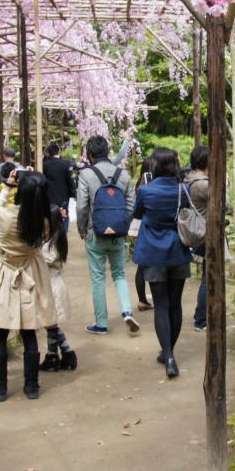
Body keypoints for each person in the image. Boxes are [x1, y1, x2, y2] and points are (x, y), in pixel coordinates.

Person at [0, 170, 58, 402]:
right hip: (30, 275)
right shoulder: (44, 221)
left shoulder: (5, 215)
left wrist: (7, 187)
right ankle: (31, 387)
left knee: (0, 333)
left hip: (2, 276)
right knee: (29, 333)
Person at [132, 147, 193, 378]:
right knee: (175, 304)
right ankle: (169, 352)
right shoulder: (183, 190)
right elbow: (185, 215)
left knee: (161, 305)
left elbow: (137, 214)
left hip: (153, 252)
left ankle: (168, 356)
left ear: (156, 165)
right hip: (178, 250)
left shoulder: (146, 191)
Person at [76, 135, 140, 335]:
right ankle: (127, 311)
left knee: (98, 278)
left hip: (95, 234)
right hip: (117, 236)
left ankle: (101, 323)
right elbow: (131, 206)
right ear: (107, 152)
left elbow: (81, 207)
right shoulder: (123, 174)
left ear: (90, 154)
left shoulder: (86, 174)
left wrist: (82, 229)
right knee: (120, 274)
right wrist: (121, 226)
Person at [39, 205, 78, 372]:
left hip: (52, 287)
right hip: (52, 285)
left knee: (51, 324)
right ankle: (63, 354)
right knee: (51, 324)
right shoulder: (55, 238)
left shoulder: (50, 244)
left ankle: (55, 356)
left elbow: (44, 260)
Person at [186, 146, 209, 332]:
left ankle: (202, 317)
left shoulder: (190, 179)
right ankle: (201, 319)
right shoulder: (202, 184)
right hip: (206, 234)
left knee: (207, 276)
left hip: (198, 232)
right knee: (209, 278)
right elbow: (223, 203)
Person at [131, 157, 154, 311]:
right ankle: (148, 299)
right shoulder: (149, 186)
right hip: (148, 228)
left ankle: (142, 300)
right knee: (151, 266)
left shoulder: (139, 184)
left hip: (140, 230)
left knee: (142, 265)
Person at [43, 143, 76, 232]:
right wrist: (73, 193)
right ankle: (63, 237)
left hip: (49, 196)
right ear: (59, 151)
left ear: (49, 153)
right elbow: (70, 180)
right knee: (64, 216)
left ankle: (52, 235)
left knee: (51, 215)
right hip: (63, 195)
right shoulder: (65, 164)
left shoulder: (45, 165)